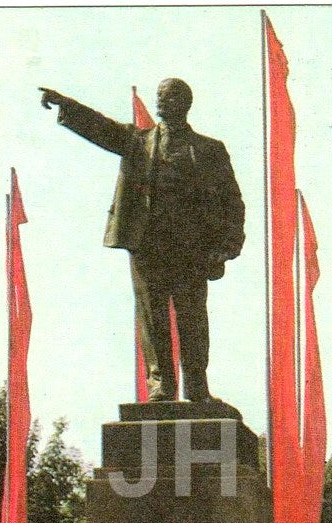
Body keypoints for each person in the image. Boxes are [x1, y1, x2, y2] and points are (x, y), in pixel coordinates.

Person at [40, 78, 245, 402]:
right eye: (160, 96)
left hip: (191, 249)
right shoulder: (138, 142)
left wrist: (226, 247)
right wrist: (67, 105)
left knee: (193, 320)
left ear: (185, 103)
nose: (162, 102)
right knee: (153, 319)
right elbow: (101, 128)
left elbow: (232, 202)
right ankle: (161, 386)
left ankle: (196, 387)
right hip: (147, 245)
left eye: (170, 97)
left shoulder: (209, 150)